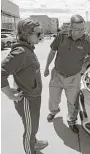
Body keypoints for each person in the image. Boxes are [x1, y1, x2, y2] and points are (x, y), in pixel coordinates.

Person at [1, 18, 48, 154]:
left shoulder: (28, 49)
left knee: (33, 126)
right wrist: (9, 94)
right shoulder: (20, 52)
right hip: (26, 99)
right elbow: (1, 73)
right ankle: (30, 150)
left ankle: (34, 142)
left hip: (33, 97)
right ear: (26, 34)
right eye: (37, 33)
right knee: (30, 129)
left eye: (41, 32)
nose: (41, 36)